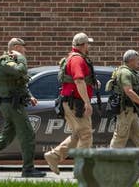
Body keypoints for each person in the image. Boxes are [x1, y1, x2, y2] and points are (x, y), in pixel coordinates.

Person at [0, 38, 46, 178]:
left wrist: (29, 96)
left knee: (7, 135)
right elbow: (19, 71)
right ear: (17, 47)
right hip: (11, 104)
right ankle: (28, 169)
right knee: (28, 134)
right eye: (23, 48)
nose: (25, 51)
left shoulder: (12, 61)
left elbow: (20, 82)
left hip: (12, 103)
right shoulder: (5, 61)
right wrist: (22, 58)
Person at [43, 32, 98, 175]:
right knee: (86, 135)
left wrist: (92, 82)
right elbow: (78, 80)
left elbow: (81, 80)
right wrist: (87, 103)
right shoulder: (77, 60)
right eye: (88, 44)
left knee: (77, 135)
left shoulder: (76, 58)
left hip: (73, 102)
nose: (89, 46)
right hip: (76, 103)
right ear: (83, 45)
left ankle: (54, 156)